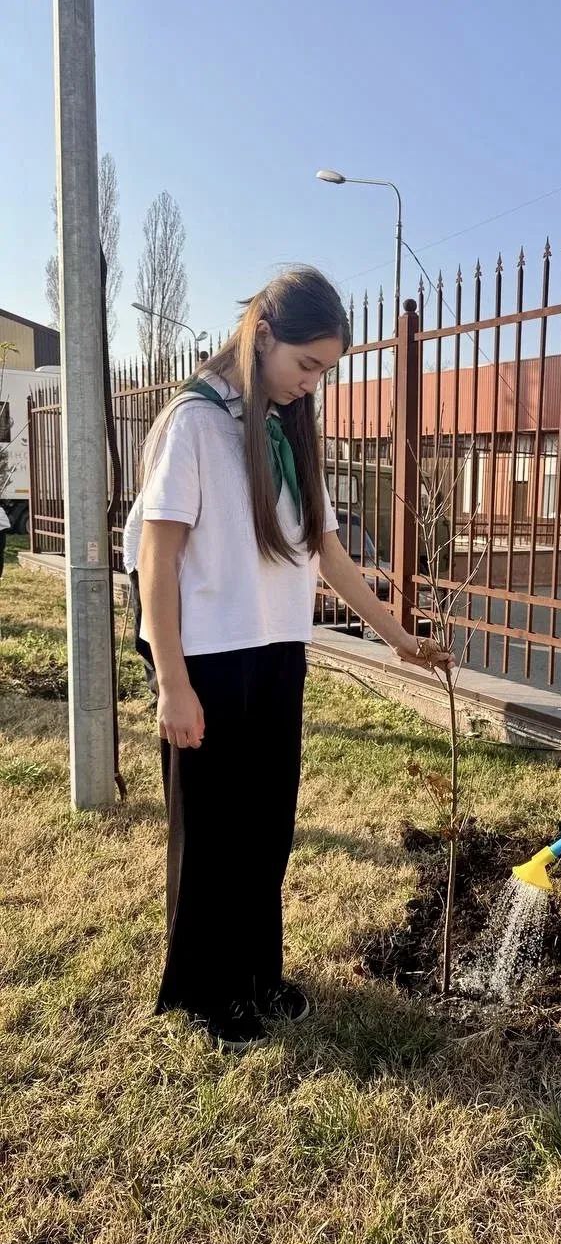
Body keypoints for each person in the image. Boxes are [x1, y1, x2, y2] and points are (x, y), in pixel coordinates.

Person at [124, 266, 451, 1052]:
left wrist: (396, 635)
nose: (313, 383)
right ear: (262, 333)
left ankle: (258, 975)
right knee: (211, 833)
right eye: (307, 364)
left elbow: (327, 554)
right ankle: (210, 992)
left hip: (277, 655)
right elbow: (155, 558)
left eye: (325, 371)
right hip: (206, 661)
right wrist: (172, 683)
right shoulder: (194, 423)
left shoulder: (289, 429)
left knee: (266, 825)